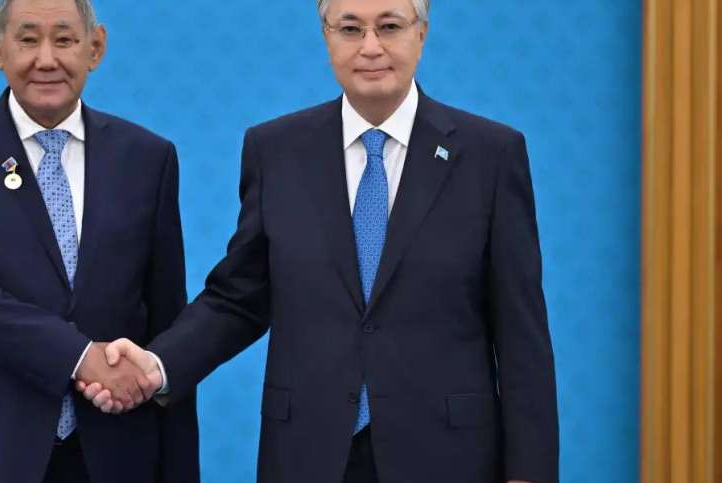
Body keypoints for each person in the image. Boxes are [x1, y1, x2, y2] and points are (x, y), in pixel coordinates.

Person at [81, 0, 558, 482]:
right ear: (327, 36)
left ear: (421, 32)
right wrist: (157, 364)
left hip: (447, 457)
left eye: (389, 26)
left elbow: (521, 334)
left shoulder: (489, 156)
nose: (370, 46)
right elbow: (239, 298)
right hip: (308, 454)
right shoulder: (276, 151)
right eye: (350, 28)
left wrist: (529, 472)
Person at [0, 0, 198, 481]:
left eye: (64, 40)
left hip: (117, 447)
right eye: (27, 39)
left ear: (95, 47)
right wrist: (78, 357)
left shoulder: (147, 158)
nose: (46, 59)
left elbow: (165, 317)